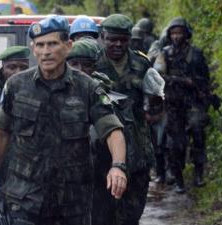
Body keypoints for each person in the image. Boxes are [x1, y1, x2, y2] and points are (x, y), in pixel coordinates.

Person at [0, 15, 127, 225]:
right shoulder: (16, 86)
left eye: (52, 44)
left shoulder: (87, 87)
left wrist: (118, 166)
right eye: (40, 45)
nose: (46, 51)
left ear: (68, 46)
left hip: (72, 202)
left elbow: (112, 130)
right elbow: (1, 134)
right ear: (33, 49)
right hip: (24, 199)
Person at [92, 14, 157, 225]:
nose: (118, 44)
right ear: (103, 37)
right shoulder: (92, 64)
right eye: (112, 39)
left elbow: (155, 101)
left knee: (132, 213)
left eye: (123, 39)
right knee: (103, 215)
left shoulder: (142, 62)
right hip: (101, 152)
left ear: (130, 39)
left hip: (136, 151)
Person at [154, 17, 211, 192]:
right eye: (173, 33)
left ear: (186, 34)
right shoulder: (165, 54)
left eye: (180, 33)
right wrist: (179, 80)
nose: (177, 36)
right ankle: (178, 179)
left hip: (193, 102)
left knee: (198, 133)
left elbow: (205, 79)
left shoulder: (196, 54)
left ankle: (199, 173)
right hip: (173, 104)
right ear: (169, 35)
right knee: (175, 144)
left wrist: (199, 89)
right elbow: (157, 76)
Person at [0, 45, 30, 112]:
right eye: (12, 67)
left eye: (23, 68)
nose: (18, 72)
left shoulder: (36, 91)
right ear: (3, 69)